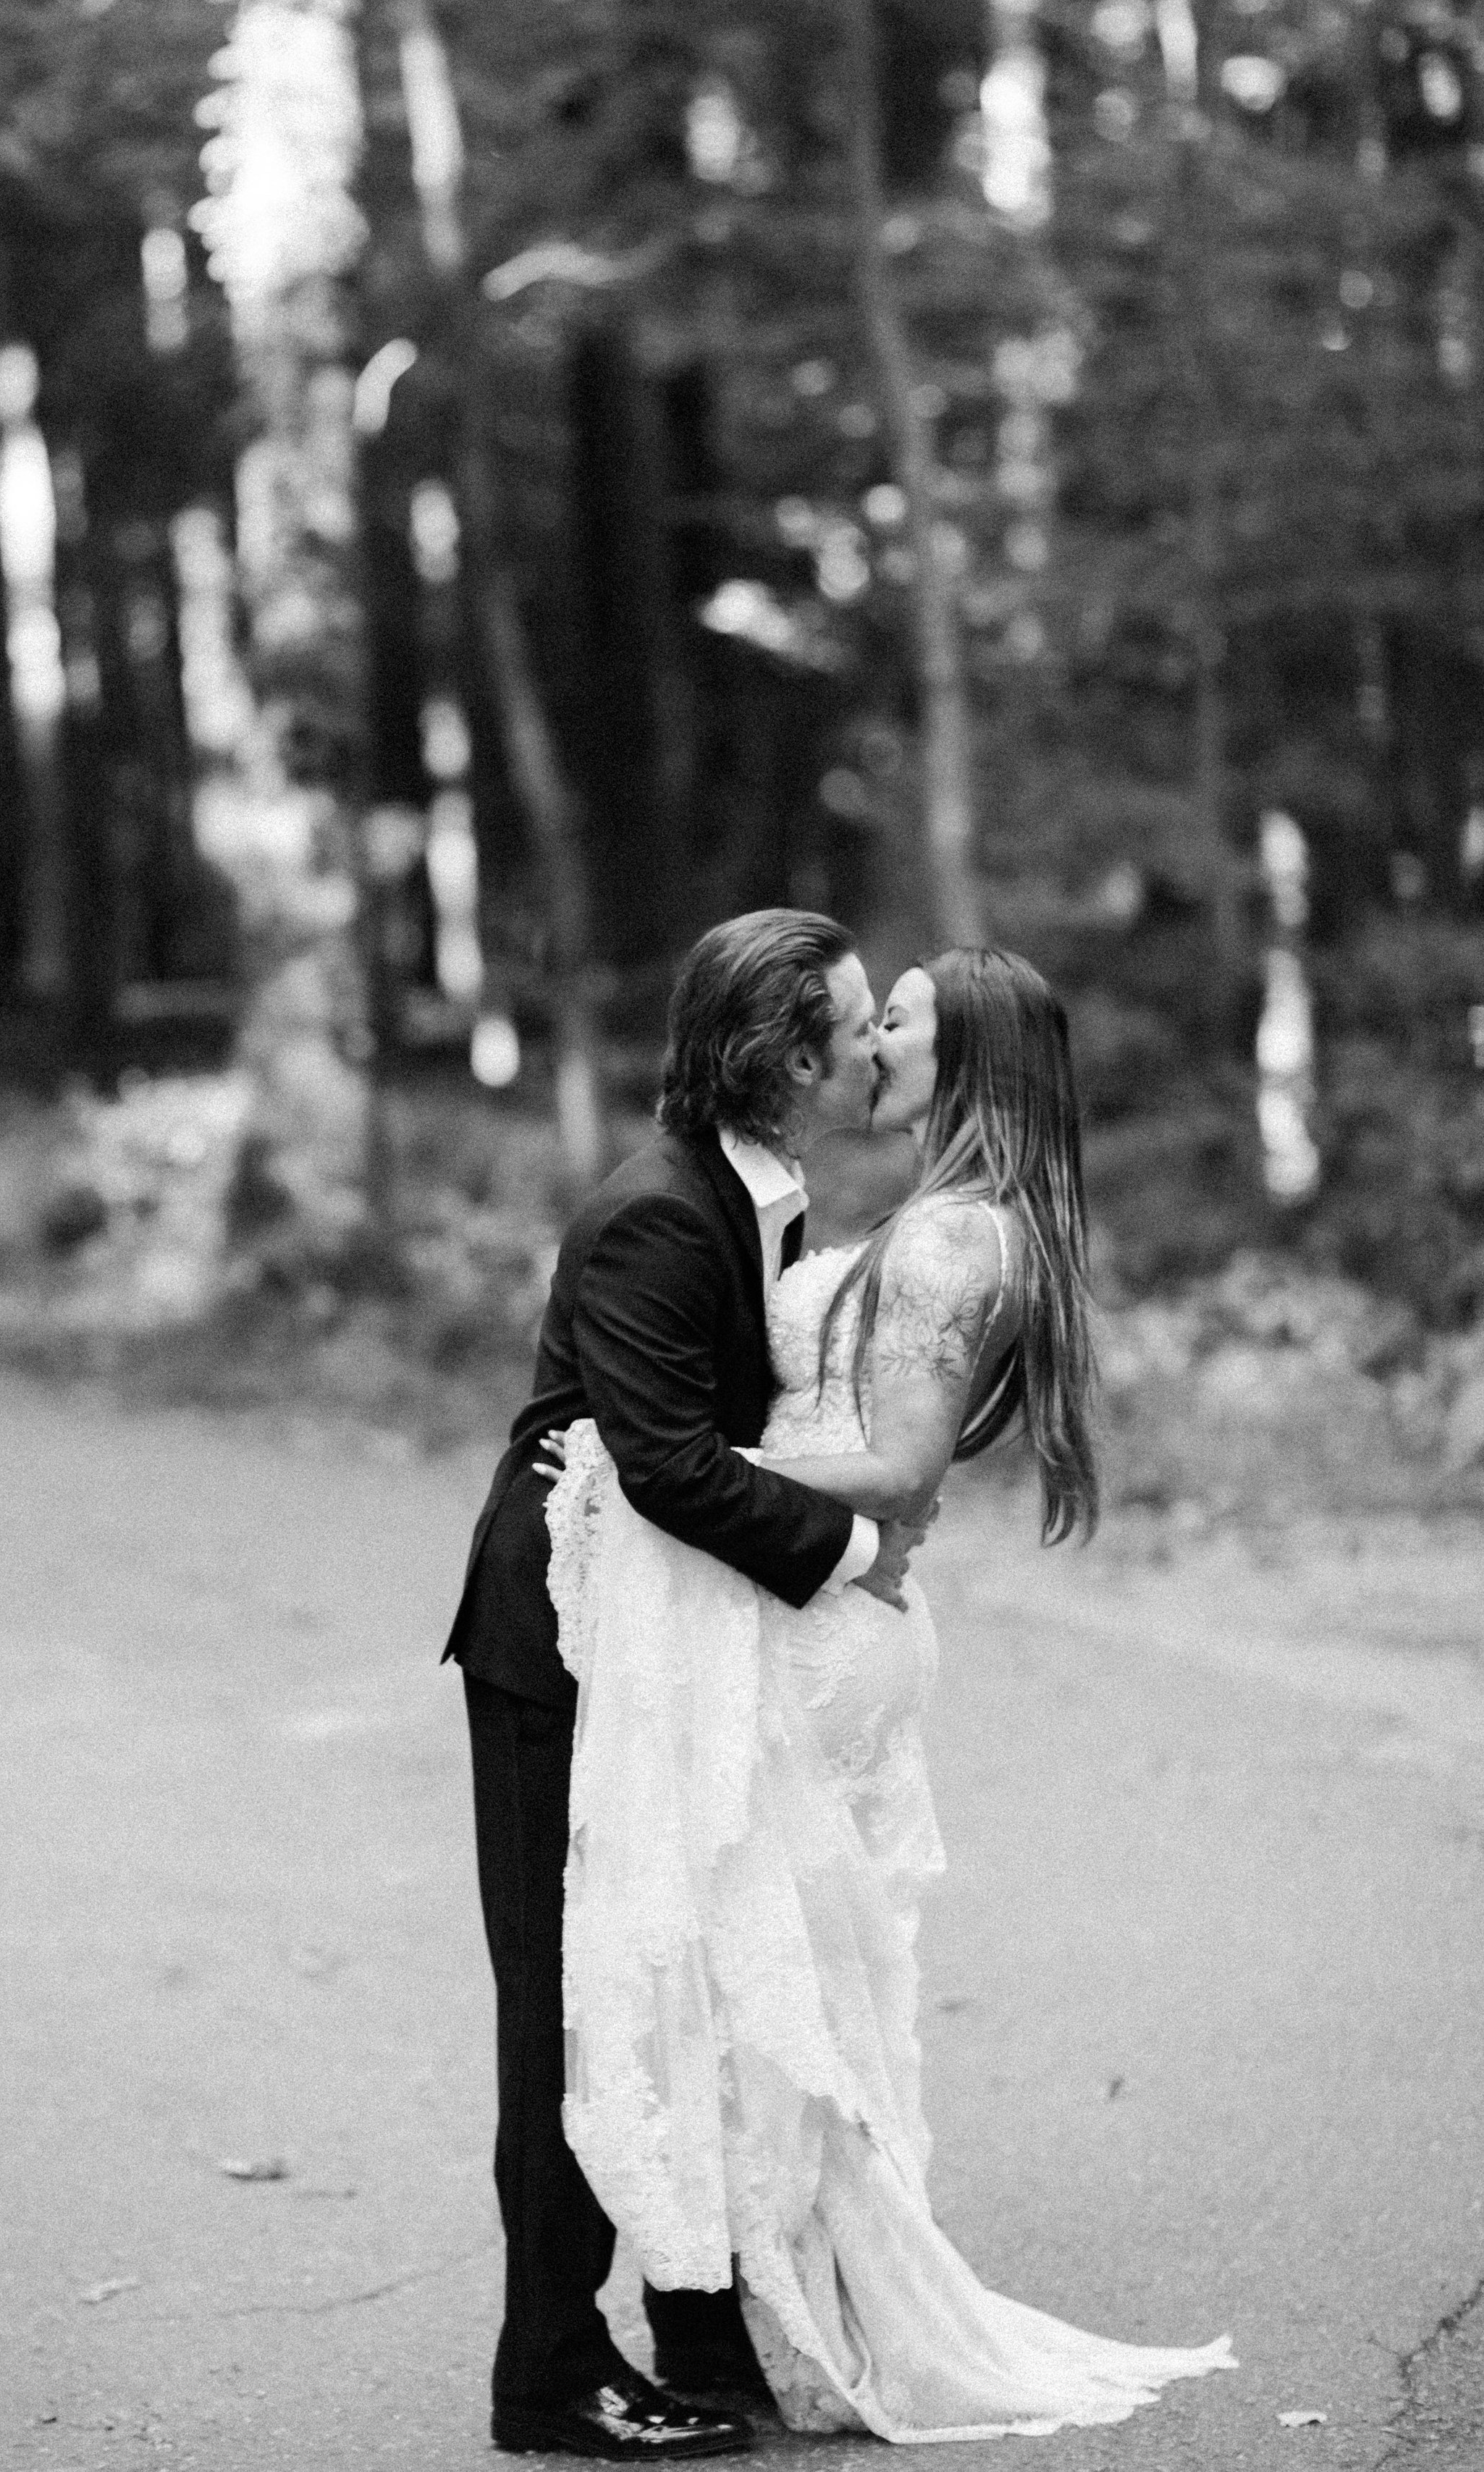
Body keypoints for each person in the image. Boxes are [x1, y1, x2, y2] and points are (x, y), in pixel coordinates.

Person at [539, 945, 1237, 2443]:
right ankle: (775, 2306)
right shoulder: (923, 1219)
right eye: (863, 1021)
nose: (873, 1040)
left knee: (762, 1971)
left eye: (896, 1020)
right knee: (773, 1971)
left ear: (958, 1057)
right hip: (805, 1595)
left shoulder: (935, 1245)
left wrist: (644, 1465)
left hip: (820, 1613)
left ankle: (797, 2309)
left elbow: (901, 1468)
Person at [444, 910, 927, 2460]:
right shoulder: (660, 1213)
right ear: (785, 1055)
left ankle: (698, 2330)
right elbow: (657, 1467)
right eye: (852, 1026)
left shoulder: (752, 1197)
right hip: (559, 1642)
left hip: (659, 1648)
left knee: (682, 1975)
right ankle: (547, 2372)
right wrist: (857, 1547)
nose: (870, 1048)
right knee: (570, 2004)